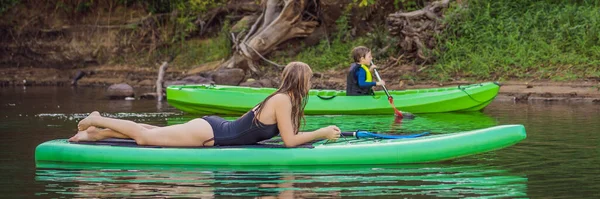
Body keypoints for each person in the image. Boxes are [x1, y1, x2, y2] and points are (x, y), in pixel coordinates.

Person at [69, 62, 341, 148]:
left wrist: (316, 136)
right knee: (145, 138)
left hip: (213, 128)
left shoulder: (287, 100)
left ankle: (98, 133)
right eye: (309, 80)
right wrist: (322, 133)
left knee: (150, 129)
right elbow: (290, 141)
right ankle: (97, 118)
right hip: (211, 134)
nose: (310, 84)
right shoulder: (283, 100)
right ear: (301, 81)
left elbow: (288, 138)